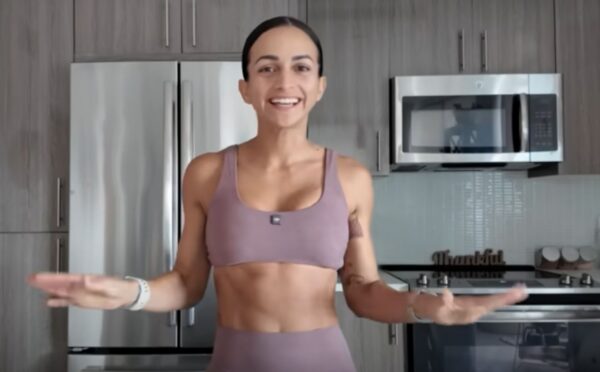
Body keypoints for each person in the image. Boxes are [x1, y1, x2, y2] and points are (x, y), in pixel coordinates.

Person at [27, 16, 528, 372]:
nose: (284, 81)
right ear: (245, 87)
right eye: (266, 67)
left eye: (301, 67)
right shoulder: (205, 172)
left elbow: (362, 290)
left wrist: (421, 307)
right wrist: (130, 293)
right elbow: (185, 283)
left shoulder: (350, 177)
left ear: (320, 84)